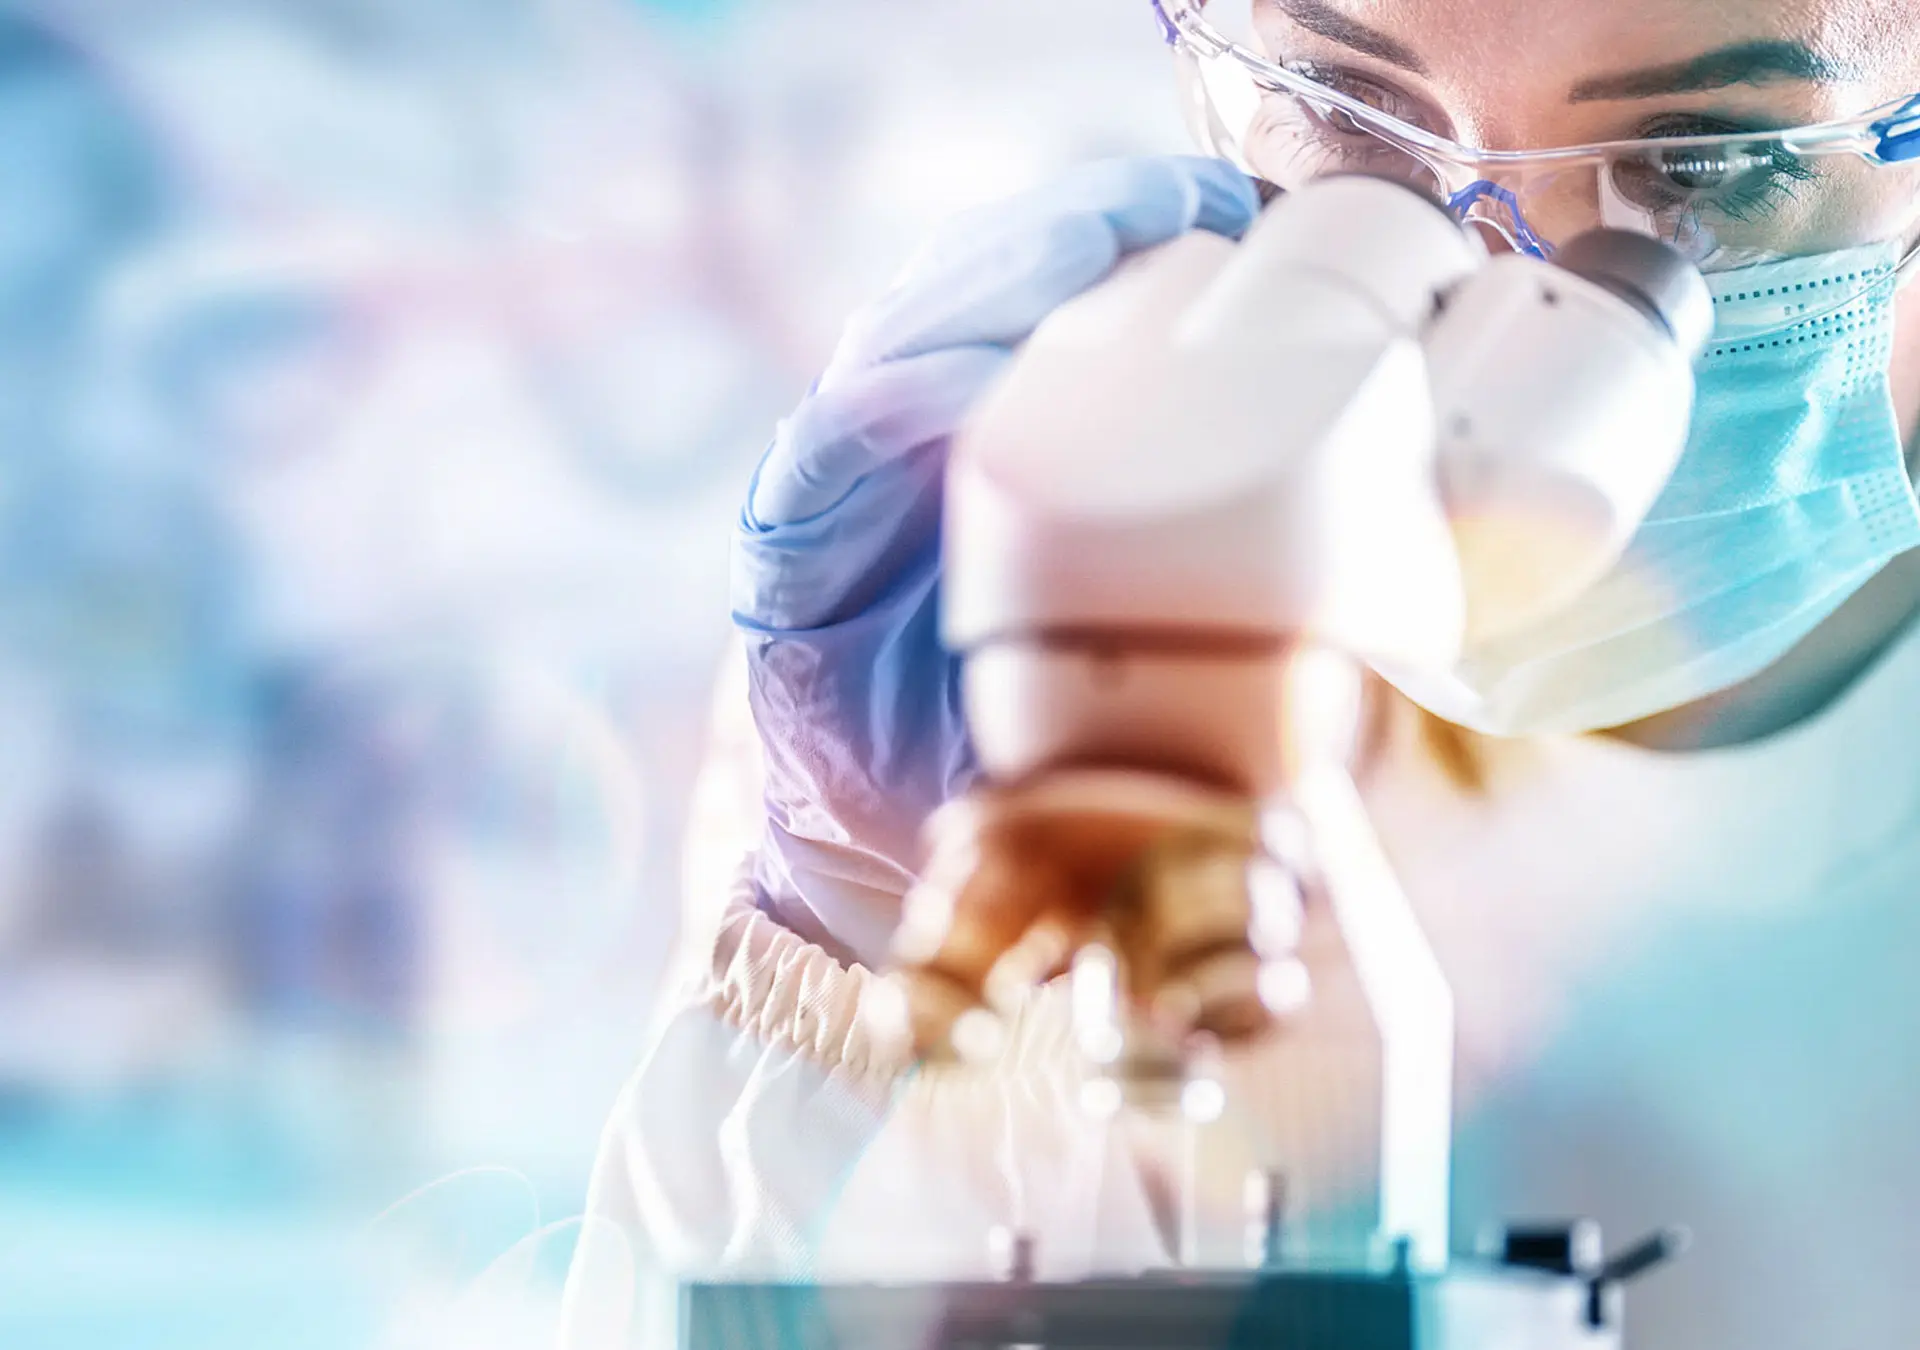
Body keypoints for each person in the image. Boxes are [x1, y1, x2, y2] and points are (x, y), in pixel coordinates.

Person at [565, 3, 1920, 1346]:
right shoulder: (1017, 666)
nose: (1513, 301)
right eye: (1348, 117)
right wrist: (846, 961)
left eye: (1705, 170)